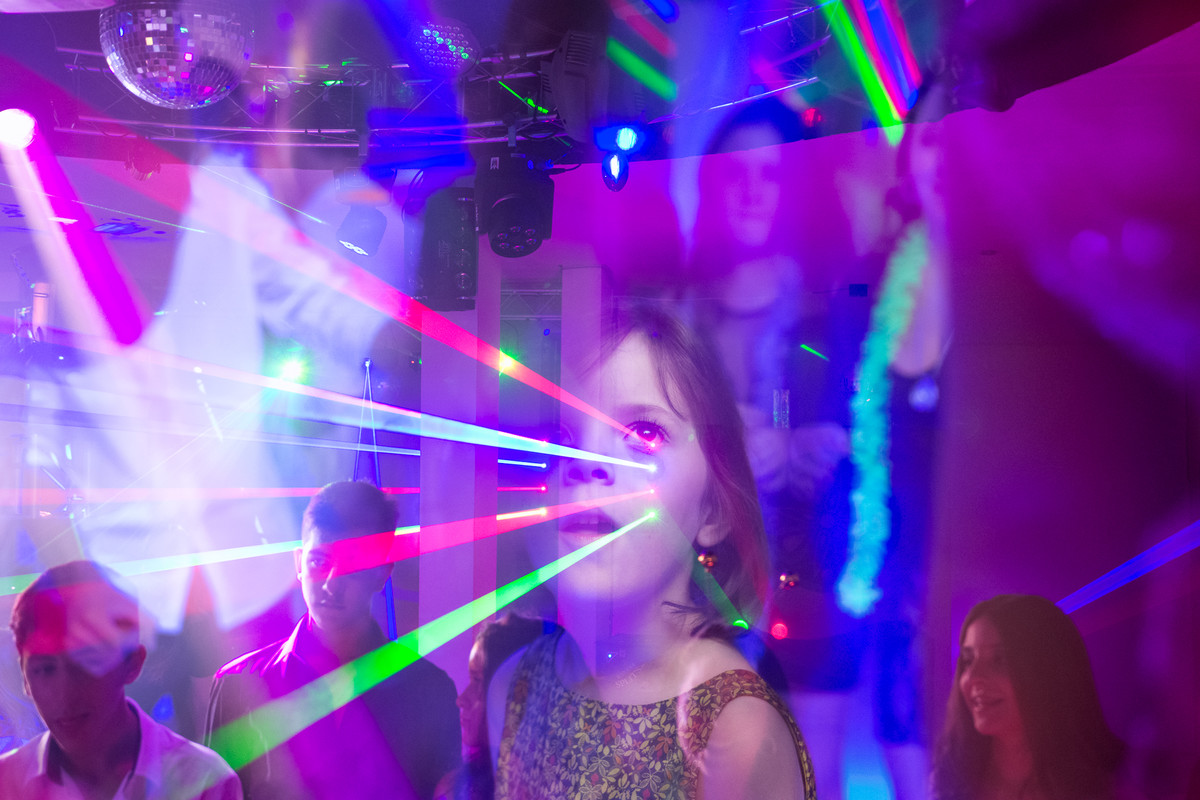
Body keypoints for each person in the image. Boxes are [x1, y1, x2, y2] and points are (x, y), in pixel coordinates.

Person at [684, 95, 948, 800]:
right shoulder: (673, 312)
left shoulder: (838, 306)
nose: (749, 191)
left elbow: (872, 435)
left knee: (809, 776)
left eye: (770, 175)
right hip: (694, 586)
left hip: (807, 580)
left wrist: (815, 444)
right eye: (734, 172)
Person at [487, 305, 817, 800]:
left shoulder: (734, 726)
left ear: (714, 510)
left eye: (644, 433)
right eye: (562, 437)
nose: (586, 463)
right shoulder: (514, 688)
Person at [205, 480, 460, 800]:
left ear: (382, 573)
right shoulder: (239, 686)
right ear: (298, 562)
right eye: (318, 562)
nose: (331, 584)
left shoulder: (428, 692)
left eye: (352, 567)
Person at [0, 560, 241, 800]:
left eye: (86, 664)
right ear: (24, 678)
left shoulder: (205, 781)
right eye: (45, 670)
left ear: (132, 663)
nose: (64, 694)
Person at [931, 594, 1133, 800]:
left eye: (999, 660)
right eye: (968, 660)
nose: (974, 677)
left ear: (1047, 671)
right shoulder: (949, 778)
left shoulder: (1120, 783)